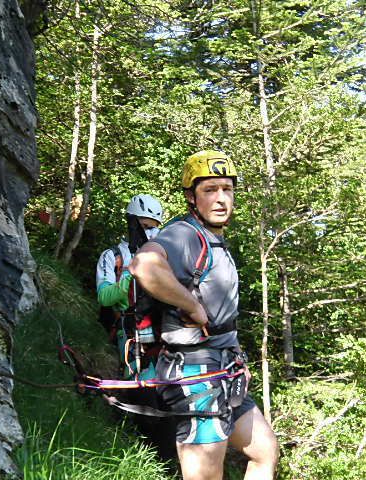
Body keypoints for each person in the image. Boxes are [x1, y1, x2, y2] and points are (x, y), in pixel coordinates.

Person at [129, 150, 279, 480]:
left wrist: (237, 357)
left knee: (264, 451)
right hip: (196, 373)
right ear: (191, 197)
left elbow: (224, 316)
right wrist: (191, 305)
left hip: (224, 366)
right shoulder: (185, 234)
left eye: (227, 189)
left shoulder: (212, 239)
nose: (221, 198)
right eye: (210, 190)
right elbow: (143, 265)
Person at [95, 193, 176, 462]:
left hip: (164, 333)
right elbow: (105, 297)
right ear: (132, 222)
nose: (151, 230)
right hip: (130, 332)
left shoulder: (165, 255)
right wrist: (131, 273)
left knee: (167, 392)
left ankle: (166, 457)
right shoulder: (114, 256)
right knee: (139, 389)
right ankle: (133, 449)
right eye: (145, 224)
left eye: (155, 224)